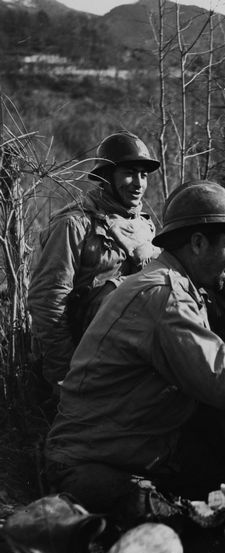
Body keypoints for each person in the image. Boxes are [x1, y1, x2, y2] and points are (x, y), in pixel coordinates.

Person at [44, 180, 225, 521]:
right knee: (208, 547)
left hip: (130, 446)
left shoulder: (173, 283)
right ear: (198, 243)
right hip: (94, 465)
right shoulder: (165, 294)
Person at [28, 130, 161, 391]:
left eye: (143, 175)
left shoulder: (145, 225)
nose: (138, 183)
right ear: (107, 177)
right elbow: (48, 301)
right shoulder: (74, 224)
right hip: (89, 356)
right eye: (129, 173)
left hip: (140, 351)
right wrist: (64, 376)